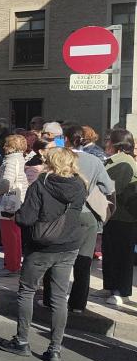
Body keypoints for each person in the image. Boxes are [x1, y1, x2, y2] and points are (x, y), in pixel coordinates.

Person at [0, 148, 87, 361]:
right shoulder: (80, 185)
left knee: (27, 291)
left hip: (41, 246)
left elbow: (26, 218)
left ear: (51, 162)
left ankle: (22, 341)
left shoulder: (42, 184)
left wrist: (15, 216)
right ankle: (55, 349)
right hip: (69, 245)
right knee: (58, 297)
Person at [63, 124, 114, 314]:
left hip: (63, 214)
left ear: (67, 139)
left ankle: (52, 299)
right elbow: (109, 189)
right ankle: (77, 305)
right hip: (88, 216)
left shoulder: (60, 158)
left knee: (59, 260)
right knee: (83, 262)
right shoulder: (94, 161)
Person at [0, 135, 30, 278]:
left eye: (7, 144)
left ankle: (11, 266)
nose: (4, 147)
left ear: (13, 147)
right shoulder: (20, 159)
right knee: (15, 234)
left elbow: (6, 184)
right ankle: (14, 264)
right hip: (19, 201)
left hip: (10, 203)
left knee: (9, 236)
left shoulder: (11, 162)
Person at [103, 129, 137, 307]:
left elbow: (114, 188)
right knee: (110, 251)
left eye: (108, 140)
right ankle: (110, 286)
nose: (105, 143)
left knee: (122, 255)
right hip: (114, 214)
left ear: (116, 144)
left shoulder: (124, 163)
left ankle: (122, 291)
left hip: (125, 216)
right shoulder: (115, 160)